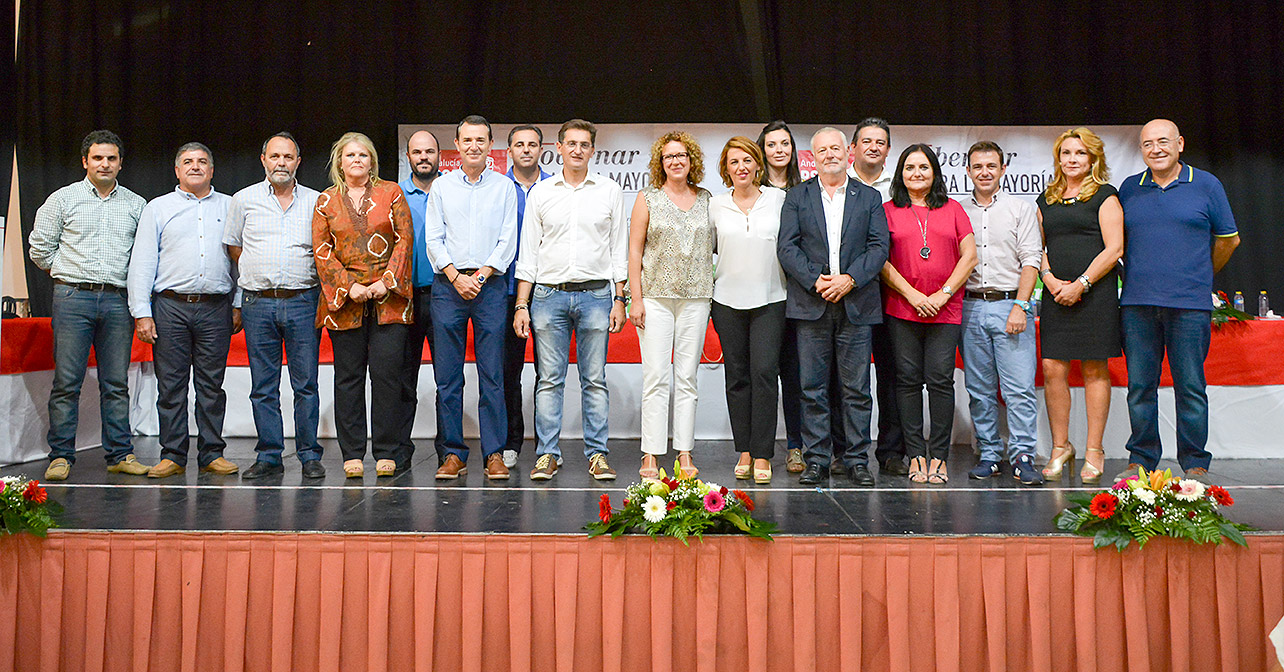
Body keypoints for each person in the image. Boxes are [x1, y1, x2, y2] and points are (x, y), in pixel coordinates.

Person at [1115, 119, 1240, 483]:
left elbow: (1229, 239)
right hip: (1137, 304)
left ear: (1180, 143)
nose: (1156, 149)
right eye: (1148, 143)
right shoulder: (1129, 189)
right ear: (1141, 150)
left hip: (1189, 305)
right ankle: (1141, 458)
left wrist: (1199, 274)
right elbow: (1116, 241)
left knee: (1190, 387)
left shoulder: (1206, 185)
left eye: (1163, 141)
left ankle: (1195, 463)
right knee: (1140, 387)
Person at [29, 130, 150, 481]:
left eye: (111, 158)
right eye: (98, 158)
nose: (105, 164)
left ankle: (120, 454)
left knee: (116, 383)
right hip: (72, 297)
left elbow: (144, 256)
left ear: (120, 163)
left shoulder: (136, 204)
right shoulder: (62, 199)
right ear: (85, 161)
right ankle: (61, 456)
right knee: (67, 381)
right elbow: (39, 248)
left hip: (116, 299)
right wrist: (68, 273)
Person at [513, 119, 626, 482]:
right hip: (547, 297)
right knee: (549, 380)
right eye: (571, 143)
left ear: (593, 150)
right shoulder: (541, 194)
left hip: (596, 295)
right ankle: (547, 453)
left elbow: (618, 250)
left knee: (595, 379)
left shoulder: (609, 191)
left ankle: (597, 455)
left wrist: (620, 298)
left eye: (584, 144)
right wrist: (521, 305)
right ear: (558, 148)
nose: (577, 149)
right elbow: (528, 254)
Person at [777, 127, 888, 487]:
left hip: (856, 302)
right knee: (812, 387)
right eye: (822, 150)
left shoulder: (869, 198)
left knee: (856, 389)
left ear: (849, 152)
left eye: (835, 148)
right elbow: (787, 248)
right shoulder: (797, 196)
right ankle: (817, 460)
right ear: (813, 156)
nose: (829, 155)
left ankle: (856, 460)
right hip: (812, 304)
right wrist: (816, 280)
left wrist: (850, 279)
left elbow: (878, 248)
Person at [127, 142, 238, 478]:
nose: (195, 167)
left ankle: (212, 454)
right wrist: (142, 312)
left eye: (202, 161)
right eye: (187, 162)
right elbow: (143, 262)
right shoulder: (157, 209)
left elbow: (240, 260)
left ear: (212, 170)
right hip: (170, 307)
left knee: (211, 387)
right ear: (177, 170)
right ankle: (172, 455)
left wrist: (237, 304)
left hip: (216, 307)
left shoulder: (231, 207)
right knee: (171, 385)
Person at [226, 132, 326, 480]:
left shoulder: (318, 201)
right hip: (258, 304)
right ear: (263, 160)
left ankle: (310, 455)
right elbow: (234, 249)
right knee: (263, 386)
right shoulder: (243, 200)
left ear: (298, 162)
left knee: (306, 384)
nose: (281, 163)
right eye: (275, 156)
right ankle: (269, 455)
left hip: (303, 301)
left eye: (288, 157)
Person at [313, 132, 413, 478]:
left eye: (363, 155)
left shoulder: (392, 193)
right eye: (350, 155)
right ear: (339, 162)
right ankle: (352, 453)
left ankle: (386, 450)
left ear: (372, 161)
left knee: (387, 377)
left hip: (389, 299)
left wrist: (386, 281)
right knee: (348, 378)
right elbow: (321, 250)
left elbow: (404, 241)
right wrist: (350, 286)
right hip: (346, 302)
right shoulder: (326, 201)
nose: (357, 160)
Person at [424, 115, 519, 481]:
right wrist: (455, 277)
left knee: (492, 374)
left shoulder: (504, 187)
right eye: (467, 140)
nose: (474, 146)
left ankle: (493, 453)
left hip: (489, 286)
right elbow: (433, 239)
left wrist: (477, 277)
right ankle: (452, 454)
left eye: (481, 140)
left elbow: (507, 240)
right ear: (458, 145)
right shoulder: (443, 188)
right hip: (448, 287)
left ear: (490, 144)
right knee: (448, 377)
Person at [880, 144, 977, 485]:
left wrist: (942, 294)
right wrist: (914, 295)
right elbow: (881, 260)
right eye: (909, 168)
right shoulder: (888, 210)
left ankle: (939, 457)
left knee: (939, 380)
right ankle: (915, 455)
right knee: (906, 382)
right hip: (902, 309)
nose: (916, 173)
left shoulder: (953, 209)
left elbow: (969, 256)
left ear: (935, 172)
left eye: (923, 167)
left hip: (945, 309)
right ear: (900, 173)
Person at [1037, 127, 1124, 485]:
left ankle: (1094, 450)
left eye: (1080, 154)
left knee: (1093, 369)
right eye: (1066, 153)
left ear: (1093, 159)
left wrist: (1082, 284)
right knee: (1052, 367)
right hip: (1056, 295)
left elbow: (1114, 249)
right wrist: (1051, 280)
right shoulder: (1046, 199)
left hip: (1095, 296)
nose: (1072, 160)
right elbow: (1035, 248)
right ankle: (1061, 447)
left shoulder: (1106, 196)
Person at [628, 131, 714, 479]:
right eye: (668, 157)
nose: (675, 161)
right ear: (659, 164)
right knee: (656, 377)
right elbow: (634, 251)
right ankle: (650, 453)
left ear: (692, 160)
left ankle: (684, 452)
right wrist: (635, 299)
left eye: (681, 155)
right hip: (655, 299)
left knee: (687, 377)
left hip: (696, 298)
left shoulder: (707, 198)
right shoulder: (647, 198)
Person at [958, 141, 1044, 485]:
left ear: (1003, 169)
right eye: (977, 166)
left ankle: (1023, 455)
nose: (984, 172)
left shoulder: (1020, 210)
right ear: (967, 171)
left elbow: (1031, 260)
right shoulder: (957, 211)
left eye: (991, 166)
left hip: (1011, 305)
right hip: (969, 307)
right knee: (979, 390)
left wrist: (1021, 305)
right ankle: (990, 454)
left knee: (1018, 389)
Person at [709, 137, 786, 484]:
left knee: (765, 374)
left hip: (771, 300)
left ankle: (763, 453)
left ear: (758, 165)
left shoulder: (779, 200)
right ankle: (744, 449)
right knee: (737, 377)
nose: (741, 167)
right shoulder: (715, 205)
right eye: (733, 162)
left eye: (747, 160)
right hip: (726, 301)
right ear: (726, 169)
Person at [847, 117, 907, 478]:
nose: (873, 147)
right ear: (852, 147)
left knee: (892, 374)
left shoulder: (899, 188)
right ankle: (846, 452)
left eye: (880, 142)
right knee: (847, 378)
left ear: (888, 150)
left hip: (892, 293)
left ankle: (891, 452)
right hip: (848, 292)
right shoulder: (835, 183)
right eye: (866, 141)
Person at [501, 124, 553, 468]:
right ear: (508, 151)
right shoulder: (497, 187)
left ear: (541, 150)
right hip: (505, 291)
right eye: (519, 144)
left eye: (532, 144)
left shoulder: (555, 188)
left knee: (548, 373)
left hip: (548, 290)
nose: (526, 150)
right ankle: (511, 441)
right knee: (509, 371)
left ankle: (548, 447)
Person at [756, 120, 806, 474]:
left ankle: (796, 446)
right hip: (760, 295)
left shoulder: (806, 191)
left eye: (785, 144)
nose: (778, 150)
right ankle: (758, 451)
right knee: (761, 374)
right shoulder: (750, 190)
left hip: (799, 295)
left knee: (795, 375)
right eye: (771, 144)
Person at [397, 129, 446, 469]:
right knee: (402, 379)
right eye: (417, 152)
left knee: (447, 378)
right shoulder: (395, 195)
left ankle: (449, 453)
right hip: (404, 298)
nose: (424, 157)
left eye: (430, 151)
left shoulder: (452, 190)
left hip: (445, 295)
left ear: (440, 155)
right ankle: (399, 452)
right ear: (408, 156)